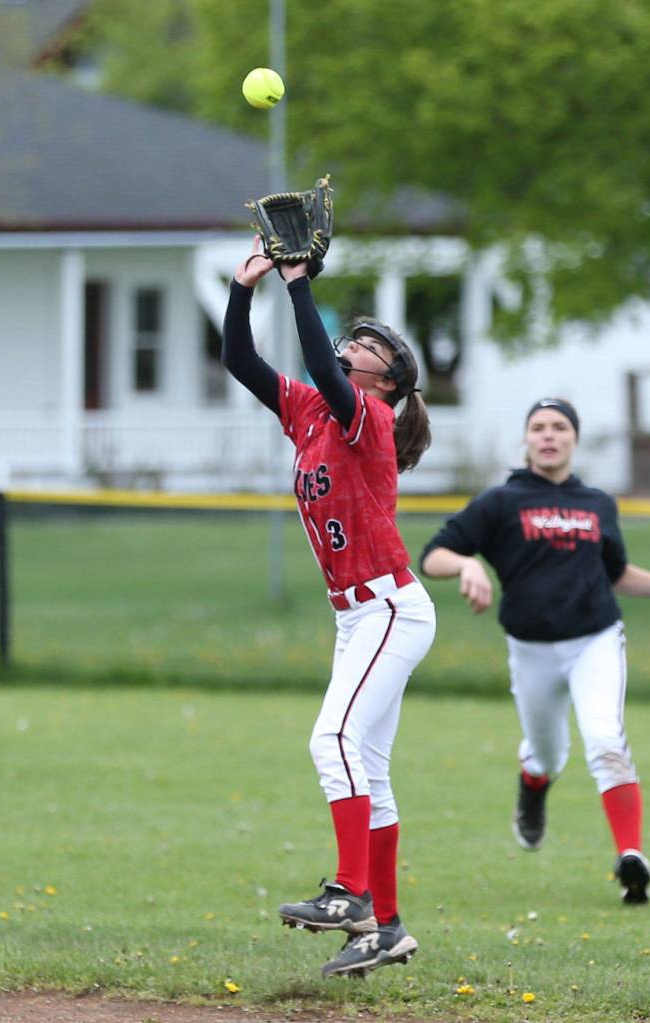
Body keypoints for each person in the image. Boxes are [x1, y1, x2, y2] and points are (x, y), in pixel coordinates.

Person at [222, 237, 436, 977]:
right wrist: (244, 287)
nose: (353, 346)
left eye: (369, 345)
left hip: (388, 608)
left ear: (390, 379)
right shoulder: (314, 411)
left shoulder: (368, 416)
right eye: (356, 337)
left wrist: (299, 284)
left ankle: (352, 894)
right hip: (359, 616)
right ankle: (387, 926)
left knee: (331, 742)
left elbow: (318, 361)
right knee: (367, 767)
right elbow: (242, 364)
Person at [419, 397, 650, 906]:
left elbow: (615, 574)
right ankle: (532, 783)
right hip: (532, 647)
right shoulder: (501, 502)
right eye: (537, 426)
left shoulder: (598, 503)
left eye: (559, 426)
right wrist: (467, 566)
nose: (548, 435)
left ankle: (631, 857)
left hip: (595, 639)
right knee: (547, 752)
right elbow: (433, 555)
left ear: (574, 438)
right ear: (526, 439)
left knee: (605, 738)